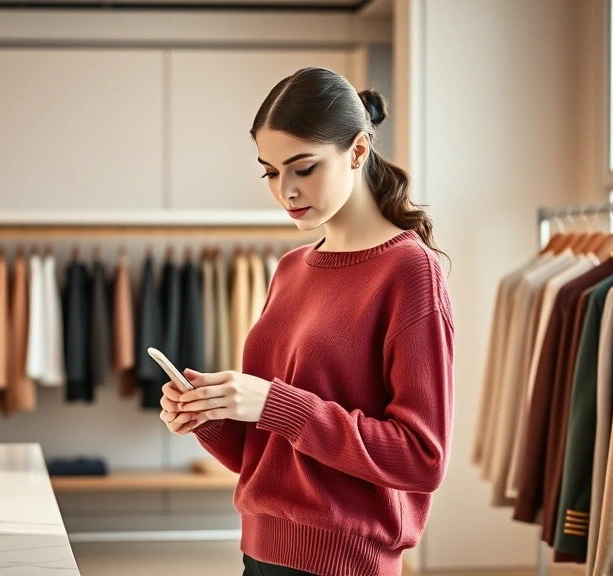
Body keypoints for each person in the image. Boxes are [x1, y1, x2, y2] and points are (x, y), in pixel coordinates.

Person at [158, 66, 455, 576]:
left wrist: (277, 404)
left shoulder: (410, 271)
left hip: (345, 563)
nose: (285, 191)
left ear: (358, 151)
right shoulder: (291, 268)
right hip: (260, 550)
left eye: (304, 168)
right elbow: (268, 453)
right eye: (271, 172)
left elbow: (421, 458)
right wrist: (210, 416)